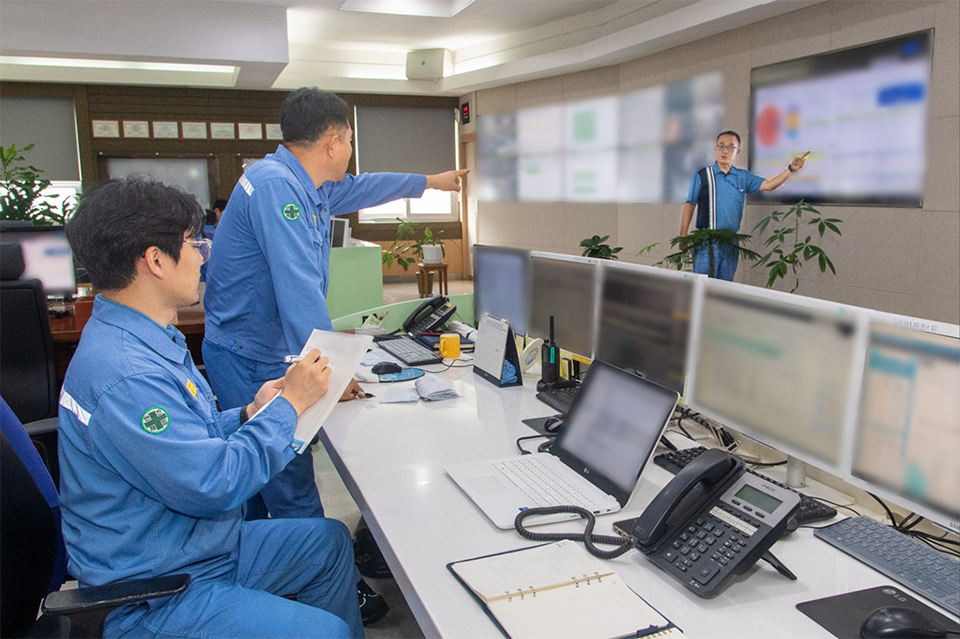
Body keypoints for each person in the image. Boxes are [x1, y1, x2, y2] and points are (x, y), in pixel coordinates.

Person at [57, 177, 364, 639]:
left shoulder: (147, 337)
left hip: (193, 546)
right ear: (156, 260)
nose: (204, 255)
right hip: (157, 589)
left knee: (328, 542)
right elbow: (215, 484)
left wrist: (247, 414)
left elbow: (184, 438)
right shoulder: (127, 374)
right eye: (193, 243)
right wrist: (291, 405)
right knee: (325, 632)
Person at [202, 87, 467, 521]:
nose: (350, 150)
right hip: (246, 358)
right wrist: (332, 369)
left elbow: (364, 187)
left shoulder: (304, 182)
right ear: (332, 143)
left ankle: (263, 568)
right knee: (286, 478)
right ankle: (315, 578)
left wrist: (429, 183)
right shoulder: (278, 190)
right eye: (349, 141)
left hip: (252, 347)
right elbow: (297, 288)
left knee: (256, 485)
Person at [679, 130, 808, 280]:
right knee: (702, 286)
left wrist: (790, 169)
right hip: (706, 241)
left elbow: (769, 185)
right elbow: (690, 204)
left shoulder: (743, 177)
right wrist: (683, 235)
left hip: (730, 242)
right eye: (721, 146)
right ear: (715, 149)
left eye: (730, 147)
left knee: (725, 287)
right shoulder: (703, 175)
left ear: (737, 151)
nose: (725, 151)